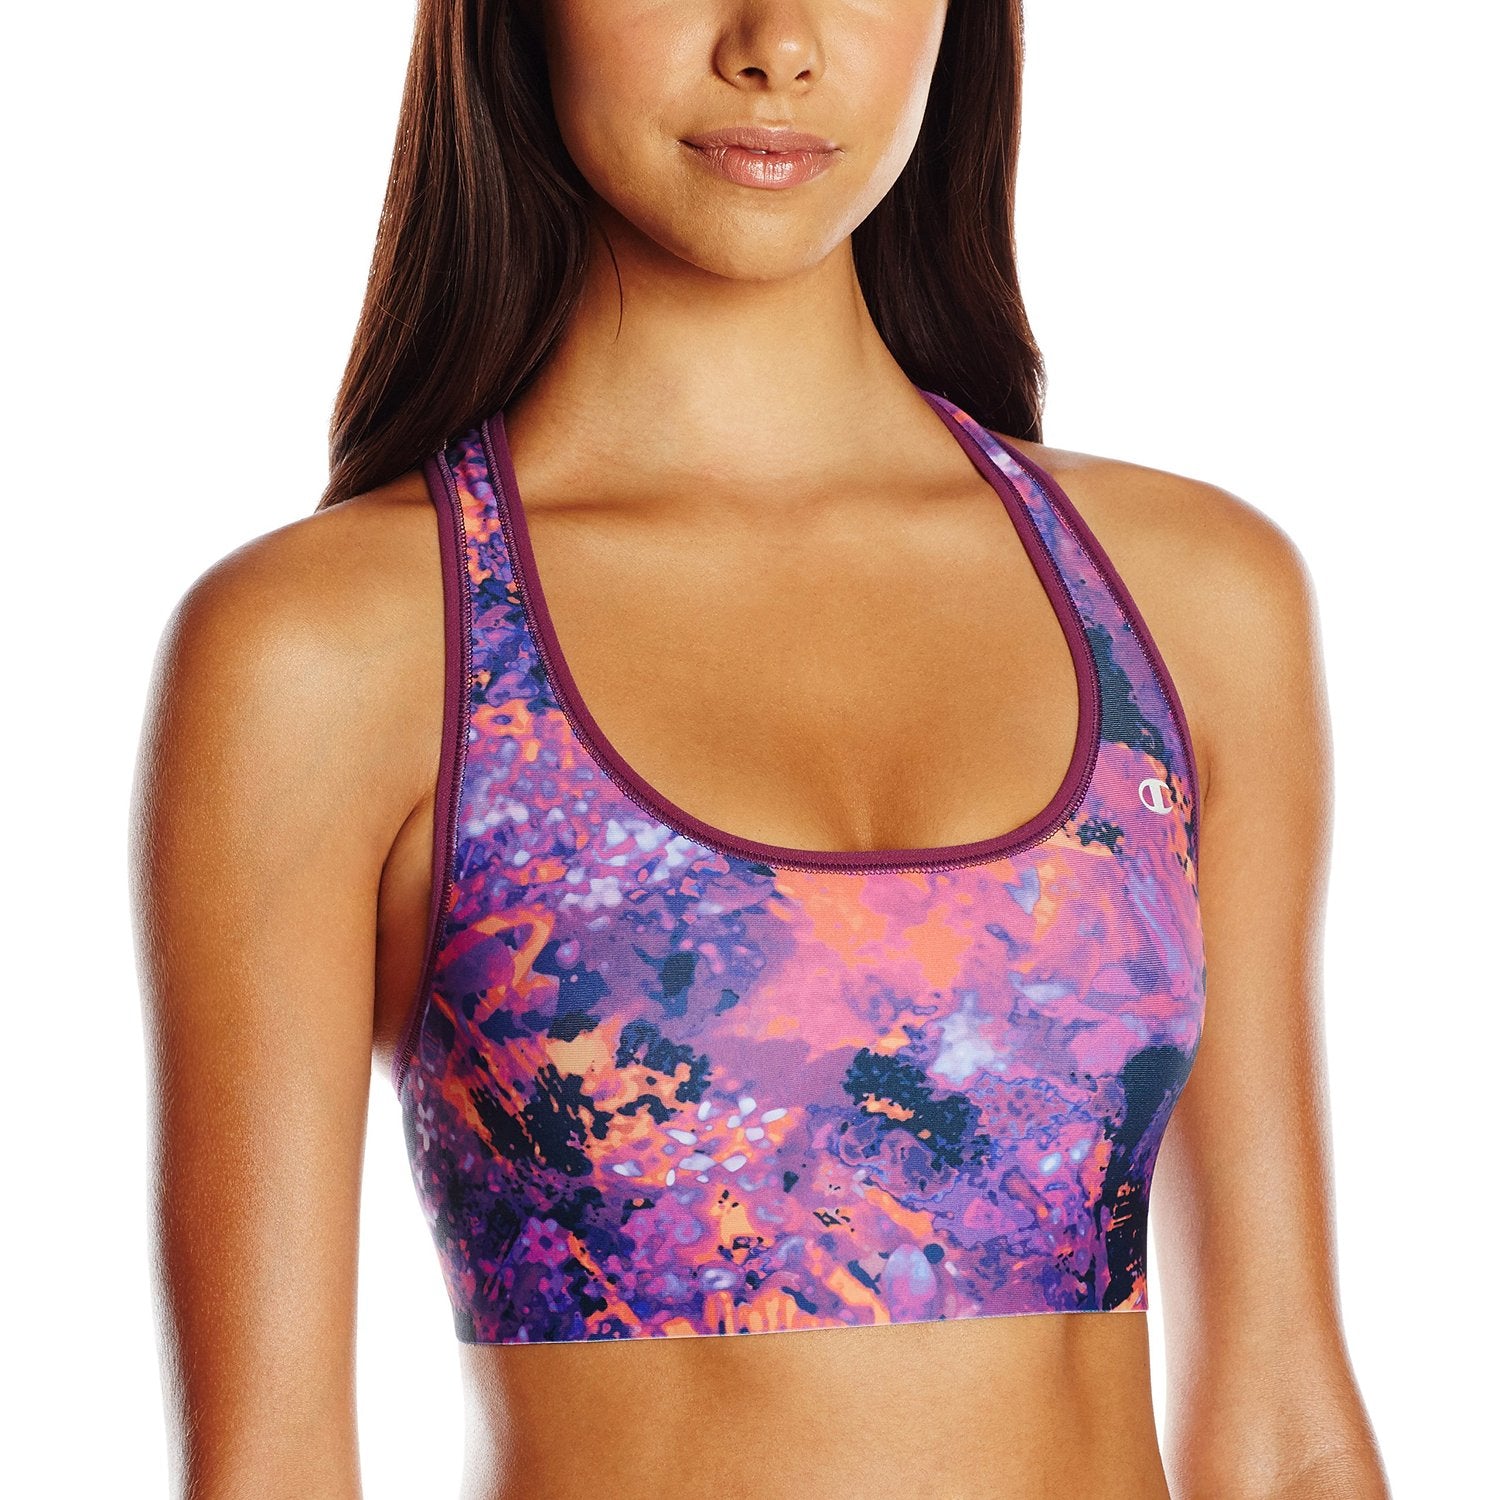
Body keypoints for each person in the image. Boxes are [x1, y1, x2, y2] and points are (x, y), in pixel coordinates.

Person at [131, 3, 1390, 1497]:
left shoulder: (1190, 599)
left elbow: (1285, 1422)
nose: (777, 43)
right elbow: (270, 1467)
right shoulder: (331, 649)